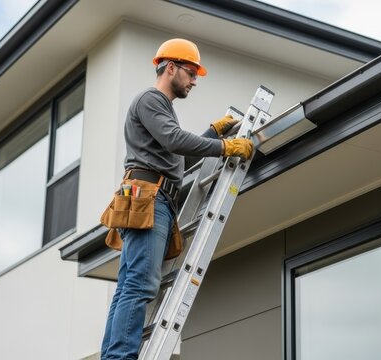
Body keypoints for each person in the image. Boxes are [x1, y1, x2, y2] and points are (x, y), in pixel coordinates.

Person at [100, 38, 253, 360]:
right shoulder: (151, 99)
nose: (194, 81)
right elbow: (174, 140)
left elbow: (173, 154)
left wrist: (211, 134)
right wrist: (225, 147)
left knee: (130, 285)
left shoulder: (160, 107)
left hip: (151, 197)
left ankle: (114, 356)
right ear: (171, 68)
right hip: (148, 198)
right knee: (139, 286)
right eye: (191, 73)